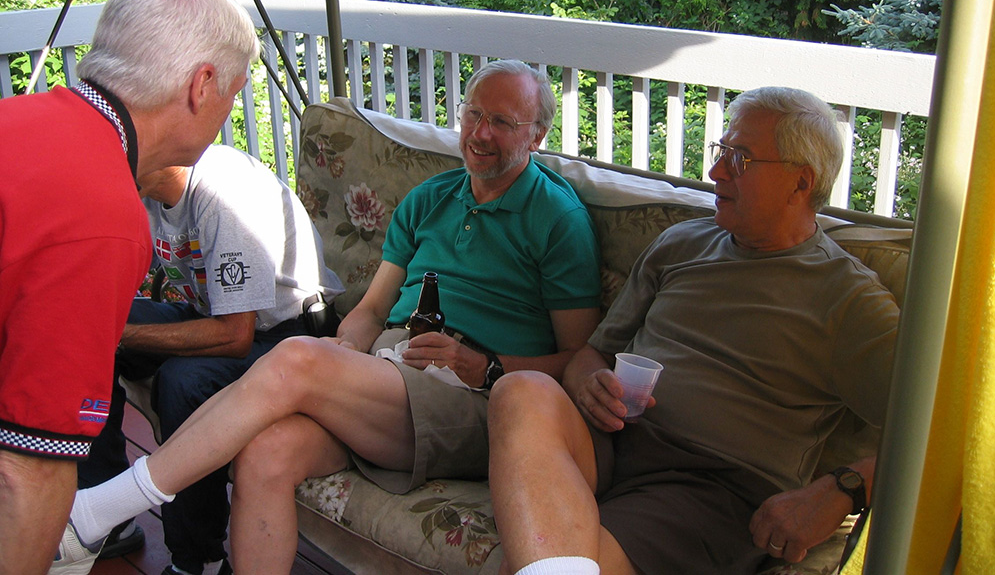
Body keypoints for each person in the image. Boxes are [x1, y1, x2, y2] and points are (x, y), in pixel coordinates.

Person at [51, 59, 603, 575]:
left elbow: (579, 359)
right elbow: (372, 310)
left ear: (536, 136)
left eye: (502, 122)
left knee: (297, 357)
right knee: (266, 453)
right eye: (473, 113)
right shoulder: (430, 198)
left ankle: (104, 508)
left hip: (475, 401)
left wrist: (482, 364)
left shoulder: (557, 218)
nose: (480, 133)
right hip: (393, 380)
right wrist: (346, 346)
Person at [487, 86, 900, 575]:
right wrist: (587, 385)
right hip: (612, 441)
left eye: (739, 158)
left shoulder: (847, 298)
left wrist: (844, 488)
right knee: (520, 390)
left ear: (801, 182)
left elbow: (946, 433)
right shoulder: (682, 243)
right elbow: (591, 355)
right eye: (720, 152)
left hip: (711, 488)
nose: (716, 171)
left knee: (557, 561)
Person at [0, 0, 260, 575]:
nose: (229, 110)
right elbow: (26, 473)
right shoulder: (101, 213)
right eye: (234, 91)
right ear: (201, 86)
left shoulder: (18, 121)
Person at [78, 144, 345, 575]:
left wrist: (122, 334)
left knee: (184, 381)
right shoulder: (146, 194)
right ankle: (108, 514)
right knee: (86, 328)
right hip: (212, 313)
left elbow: (236, 336)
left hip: (287, 334)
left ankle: (199, 558)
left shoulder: (222, 193)